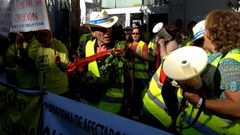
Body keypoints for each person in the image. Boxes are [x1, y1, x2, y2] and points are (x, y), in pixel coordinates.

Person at [75, 10, 133, 115]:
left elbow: (129, 74)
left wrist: (128, 96)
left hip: (113, 107)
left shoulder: (120, 48)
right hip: (91, 103)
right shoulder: (85, 47)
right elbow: (80, 70)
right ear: (93, 32)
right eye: (102, 29)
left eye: (109, 27)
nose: (107, 32)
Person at [35, 29, 69, 95]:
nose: (42, 37)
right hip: (44, 91)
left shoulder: (60, 46)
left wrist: (59, 64)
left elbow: (66, 68)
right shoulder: (39, 48)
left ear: (50, 33)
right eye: (39, 35)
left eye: (45, 34)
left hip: (59, 91)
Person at [128, 26, 150, 119]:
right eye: (133, 33)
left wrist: (135, 54)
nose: (135, 35)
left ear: (140, 35)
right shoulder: (129, 45)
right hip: (131, 75)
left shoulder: (143, 44)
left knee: (139, 96)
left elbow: (146, 59)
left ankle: (139, 114)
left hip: (141, 76)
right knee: (132, 94)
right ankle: (133, 112)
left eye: (137, 33)